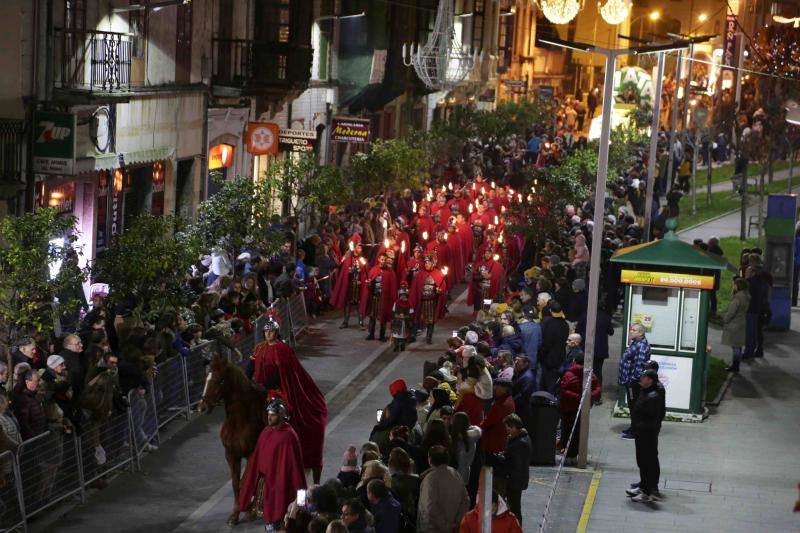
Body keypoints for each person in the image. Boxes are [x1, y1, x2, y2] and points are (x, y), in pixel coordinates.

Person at [252, 318, 328, 483]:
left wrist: (264, 386)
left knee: (281, 411)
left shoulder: (282, 349)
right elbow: (251, 366)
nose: (268, 334)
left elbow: (281, 374)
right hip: (258, 388)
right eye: (266, 331)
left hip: (276, 389)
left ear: (277, 333)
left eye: (271, 331)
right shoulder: (259, 348)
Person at [239, 400, 307, 530]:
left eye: (273, 415)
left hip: (280, 486)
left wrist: (301, 500)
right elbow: (255, 461)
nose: (269, 417)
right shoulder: (265, 432)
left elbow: (296, 470)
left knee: (279, 520)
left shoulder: (289, 437)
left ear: (281, 415)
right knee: (268, 521)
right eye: (268, 414)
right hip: (265, 485)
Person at [626, 369, 665, 503]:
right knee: (642, 461)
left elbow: (652, 418)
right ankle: (644, 487)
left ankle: (648, 491)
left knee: (647, 461)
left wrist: (641, 427)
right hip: (641, 433)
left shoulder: (653, 396)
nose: (641, 379)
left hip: (647, 435)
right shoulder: (645, 391)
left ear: (650, 380)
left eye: (643, 377)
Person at [559, 353, 601, 465]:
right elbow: (597, 388)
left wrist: (578, 398)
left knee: (567, 431)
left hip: (568, 408)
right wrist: (588, 397)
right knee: (579, 432)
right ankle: (575, 454)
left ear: (574, 361)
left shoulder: (569, 374)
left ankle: (567, 455)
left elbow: (564, 390)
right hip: (584, 408)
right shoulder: (590, 374)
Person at [417, 445, 470, 533]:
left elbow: (430, 508)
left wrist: (446, 527)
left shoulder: (430, 479)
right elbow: (466, 501)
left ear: (430, 460)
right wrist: (456, 523)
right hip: (453, 528)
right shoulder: (455, 474)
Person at [618, 323, 650, 439]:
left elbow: (639, 366)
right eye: (631, 329)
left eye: (634, 330)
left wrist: (632, 381)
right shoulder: (636, 343)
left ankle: (636, 431)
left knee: (635, 406)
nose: (631, 331)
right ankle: (633, 427)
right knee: (633, 406)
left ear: (641, 333)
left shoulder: (641, 345)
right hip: (630, 380)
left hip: (634, 382)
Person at [331, 235, 368, 329]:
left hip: (359, 284)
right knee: (347, 302)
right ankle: (345, 321)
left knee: (360, 302)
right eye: (358, 247)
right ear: (354, 247)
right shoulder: (348, 260)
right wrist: (349, 271)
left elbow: (367, 271)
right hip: (350, 284)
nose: (360, 249)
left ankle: (360, 322)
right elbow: (343, 270)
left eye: (361, 247)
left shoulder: (362, 259)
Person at [408, 255, 447, 344]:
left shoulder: (438, 274)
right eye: (425, 263)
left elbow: (442, 289)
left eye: (428, 263)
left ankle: (429, 337)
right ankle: (413, 335)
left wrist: (439, 291)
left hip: (431, 301)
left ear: (433, 264)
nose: (426, 264)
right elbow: (414, 288)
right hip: (421, 301)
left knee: (431, 320)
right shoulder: (419, 274)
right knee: (417, 318)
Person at [501, 414, 532, 524]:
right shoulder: (519, 438)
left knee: (515, 508)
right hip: (516, 479)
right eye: (507, 426)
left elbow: (514, 465)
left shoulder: (520, 444)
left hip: (515, 481)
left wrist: (501, 459)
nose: (507, 429)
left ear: (516, 426)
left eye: (510, 426)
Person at [364, 253, 398, 342]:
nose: (383, 261)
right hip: (375, 297)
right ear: (379, 259)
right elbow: (370, 285)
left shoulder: (390, 272)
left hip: (384, 299)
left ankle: (382, 335)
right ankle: (371, 334)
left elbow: (393, 287)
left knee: (383, 316)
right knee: (372, 315)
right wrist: (368, 284)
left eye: (384, 260)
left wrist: (393, 299)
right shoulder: (373, 270)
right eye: (381, 259)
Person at [539, 302, 569, 395]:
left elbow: (546, 344)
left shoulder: (549, 324)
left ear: (551, 311)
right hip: (560, 358)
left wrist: (540, 355)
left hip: (549, 360)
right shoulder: (565, 324)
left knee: (548, 385)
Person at [722, 279, 750, 372]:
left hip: (734, 324)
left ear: (738, 286)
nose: (734, 286)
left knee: (735, 346)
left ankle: (735, 366)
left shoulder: (738, 298)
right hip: (742, 323)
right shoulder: (746, 297)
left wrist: (725, 320)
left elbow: (731, 312)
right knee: (738, 346)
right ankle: (736, 365)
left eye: (735, 285)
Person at [12, 369, 47, 440]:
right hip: (34, 440)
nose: (39, 383)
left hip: (41, 435)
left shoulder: (33, 396)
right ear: (27, 382)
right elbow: (23, 423)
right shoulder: (23, 399)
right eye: (37, 380)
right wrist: (33, 438)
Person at [391, 282, 414, 352]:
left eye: (404, 295)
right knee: (396, 335)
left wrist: (405, 317)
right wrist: (397, 316)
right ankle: (396, 346)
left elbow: (411, 313)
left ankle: (402, 346)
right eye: (401, 295)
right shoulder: (396, 303)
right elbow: (393, 312)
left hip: (405, 322)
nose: (403, 296)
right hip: (397, 322)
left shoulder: (409, 303)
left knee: (403, 335)